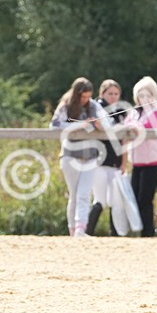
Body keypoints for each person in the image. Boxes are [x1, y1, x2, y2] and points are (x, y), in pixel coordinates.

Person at [51, 77, 108, 237]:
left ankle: (80, 229)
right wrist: (80, 125)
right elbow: (54, 124)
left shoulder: (94, 106)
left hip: (90, 156)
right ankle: (72, 229)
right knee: (74, 195)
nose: (85, 100)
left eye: (88, 96)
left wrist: (99, 125)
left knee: (85, 194)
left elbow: (107, 125)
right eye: (83, 97)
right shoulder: (65, 106)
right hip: (70, 156)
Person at [126, 76, 157, 237]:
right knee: (135, 197)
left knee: (145, 198)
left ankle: (148, 233)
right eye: (141, 95)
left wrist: (133, 126)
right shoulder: (135, 111)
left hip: (154, 161)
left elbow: (149, 127)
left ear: (154, 95)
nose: (144, 99)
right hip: (137, 161)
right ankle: (142, 231)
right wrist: (132, 125)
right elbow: (127, 125)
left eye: (148, 95)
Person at [85, 80, 127, 236]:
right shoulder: (95, 109)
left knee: (116, 201)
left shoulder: (120, 112)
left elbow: (124, 140)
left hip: (115, 162)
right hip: (99, 161)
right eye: (110, 93)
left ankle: (114, 234)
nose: (113, 97)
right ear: (102, 94)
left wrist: (124, 162)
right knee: (100, 199)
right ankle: (87, 232)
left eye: (116, 94)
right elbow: (88, 129)